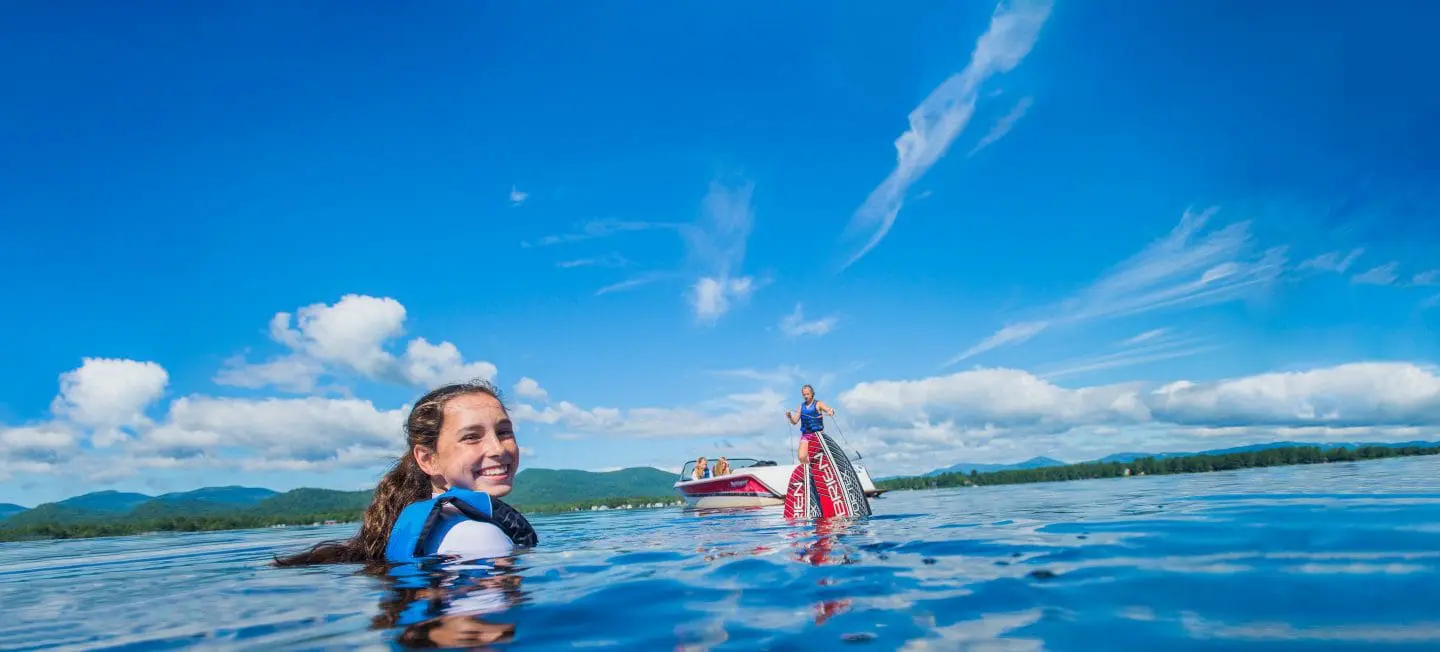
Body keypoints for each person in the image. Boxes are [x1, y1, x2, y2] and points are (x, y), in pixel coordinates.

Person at [274, 380, 537, 566]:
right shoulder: (480, 539)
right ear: (428, 459)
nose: (497, 448)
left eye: (504, 432)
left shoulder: (442, 528)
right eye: (471, 437)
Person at [785, 384, 836, 465]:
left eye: (807, 394)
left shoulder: (818, 404)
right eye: (804, 394)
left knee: (815, 457)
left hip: (818, 434)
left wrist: (830, 411)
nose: (805, 396)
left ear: (812, 393)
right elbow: (794, 422)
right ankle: (809, 472)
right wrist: (790, 417)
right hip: (806, 434)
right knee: (801, 457)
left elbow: (829, 410)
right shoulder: (801, 407)